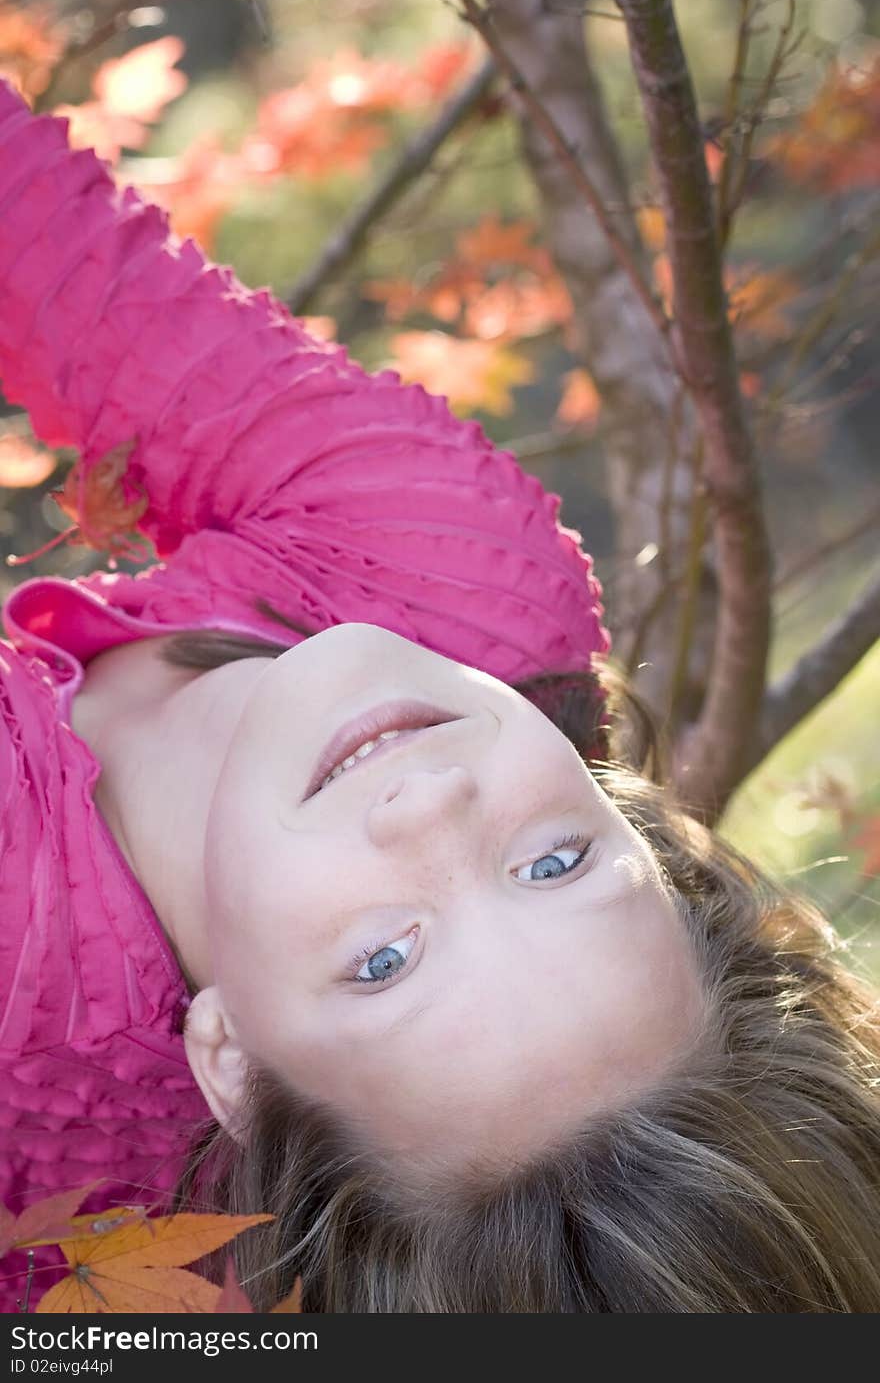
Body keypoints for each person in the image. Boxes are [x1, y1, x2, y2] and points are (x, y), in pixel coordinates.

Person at [0, 79, 878, 1314]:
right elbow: (58, 262)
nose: (430, 804)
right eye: (555, 865)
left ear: (236, 1068)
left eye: (384, 959)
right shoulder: (468, 588)